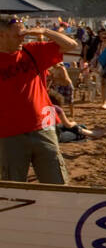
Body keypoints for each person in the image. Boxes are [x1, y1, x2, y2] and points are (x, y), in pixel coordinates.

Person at [0, 17, 80, 183]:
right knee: (13, 189)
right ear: (2, 35)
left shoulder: (32, 51)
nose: (23, 37)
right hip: (9, 134)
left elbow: (72, 45)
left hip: (44, 127)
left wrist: (45, 31)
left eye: (24, 33)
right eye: (18, 34)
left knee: (57, 184)